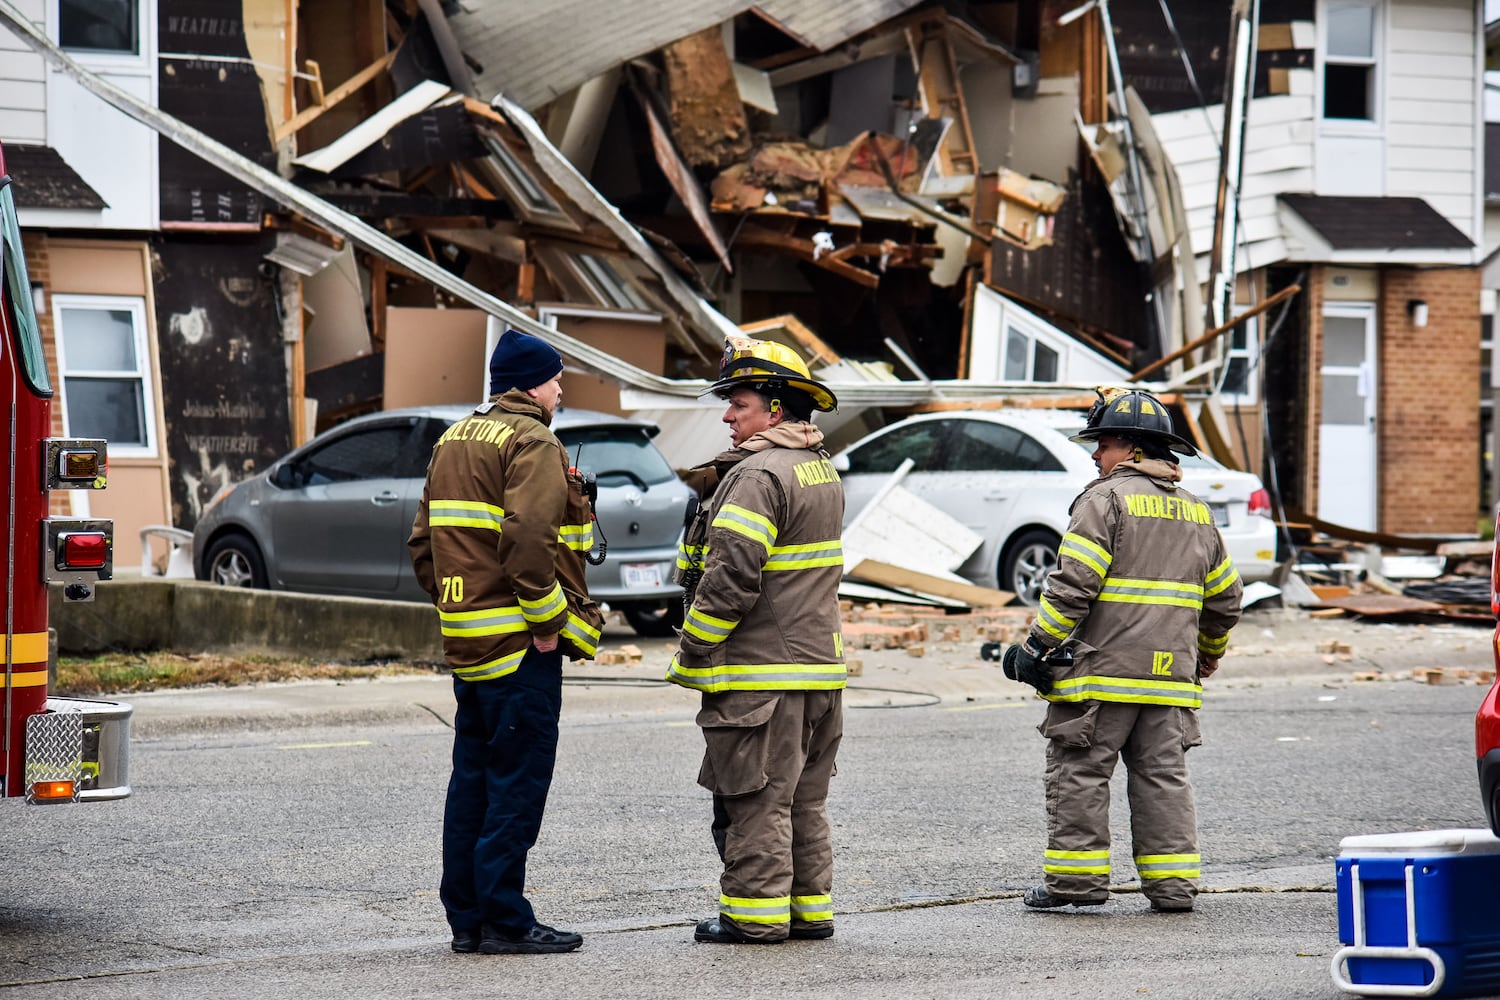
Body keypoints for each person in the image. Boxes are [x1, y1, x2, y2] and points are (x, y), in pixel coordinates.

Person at [1004, 387, 1242, 914]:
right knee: (1164, 779)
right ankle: (1174, 888)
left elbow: (1073, 584)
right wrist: (1207, 652)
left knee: (1081, 773)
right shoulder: (1198, 515)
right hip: (1170, 680)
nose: (1095, 455)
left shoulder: (1103, 501)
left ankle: (1076, 885)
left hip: (1101, 678)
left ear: (1132, 450)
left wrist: (1036, 646)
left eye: (1104, 443)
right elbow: (1226, 599)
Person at [407, 328, 603, 955]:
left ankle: (467, 919)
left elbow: (421, 543)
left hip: (468, 646)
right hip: (521, 650)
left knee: (473, 783)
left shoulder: (453, 438)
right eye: (555, 380)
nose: (560, 390)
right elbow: (527, 541)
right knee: (516, 786)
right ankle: (506, 921)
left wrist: (457, 607)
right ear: (530, 384)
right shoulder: (531, 439)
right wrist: (547, 626)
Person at [668, 336, 847, 945]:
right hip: (818, 672)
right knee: (803, 801)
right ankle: (808, 910)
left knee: (756, 801)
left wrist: (693, 646)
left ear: (774, 408)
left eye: (737, 403)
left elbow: (730, 579)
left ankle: (755, 916)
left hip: (762, 675)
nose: (726, 416)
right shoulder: (819, 467)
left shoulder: (758, 475)